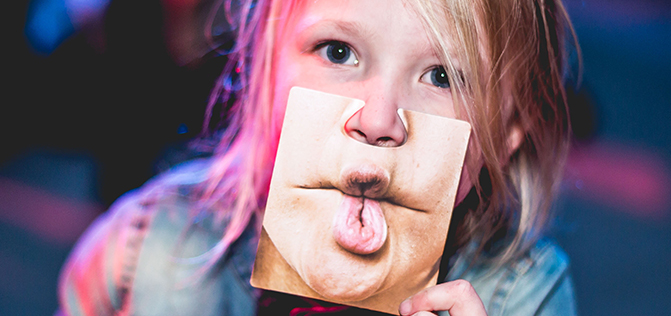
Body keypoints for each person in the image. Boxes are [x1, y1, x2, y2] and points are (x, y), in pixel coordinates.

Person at [57, 0, 579, 315]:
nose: (378, 118)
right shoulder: (150, 249)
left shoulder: (522, 296)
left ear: (507, 132)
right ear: (263, 67)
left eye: (443, 77)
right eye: (337, 51)